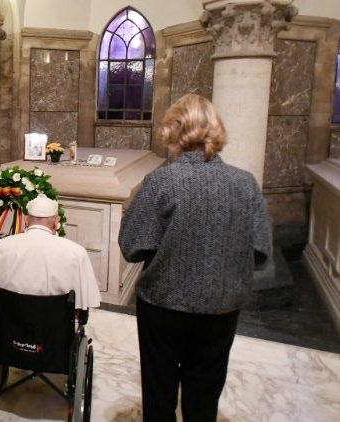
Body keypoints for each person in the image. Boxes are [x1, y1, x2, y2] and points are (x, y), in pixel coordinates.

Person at [118, 94, 272, 422]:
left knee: (159, 393)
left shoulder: (162, 181)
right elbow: (261, 252)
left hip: (164, 304)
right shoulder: (245, 184)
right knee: (205, 393)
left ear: (174, 130)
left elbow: (131, 244)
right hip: (222, 305)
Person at [0, 194, 101, 310]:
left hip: (8, 327)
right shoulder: (77, 252)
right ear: (56, 221)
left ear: (26, 219)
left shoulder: (1, 246)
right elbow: (88, 301)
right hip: (55, 329)